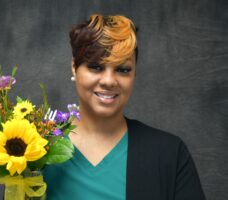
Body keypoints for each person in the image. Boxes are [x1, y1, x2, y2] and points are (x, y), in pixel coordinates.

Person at [44, 14, 206, 200]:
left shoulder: (169, 154)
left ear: (135, 72)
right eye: (96, 67)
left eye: (123, 70)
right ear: (74, 67)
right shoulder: (34, 148)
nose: (109, 81)